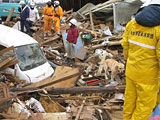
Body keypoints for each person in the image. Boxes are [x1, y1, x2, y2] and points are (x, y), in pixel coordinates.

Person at [121, 0, 160, 120]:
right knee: (144, 107)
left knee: (129, 102)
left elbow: (125, 45)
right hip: (148, 76)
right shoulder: (158, 29)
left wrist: (128, 62)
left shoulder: (131, 24)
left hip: (131, 71)